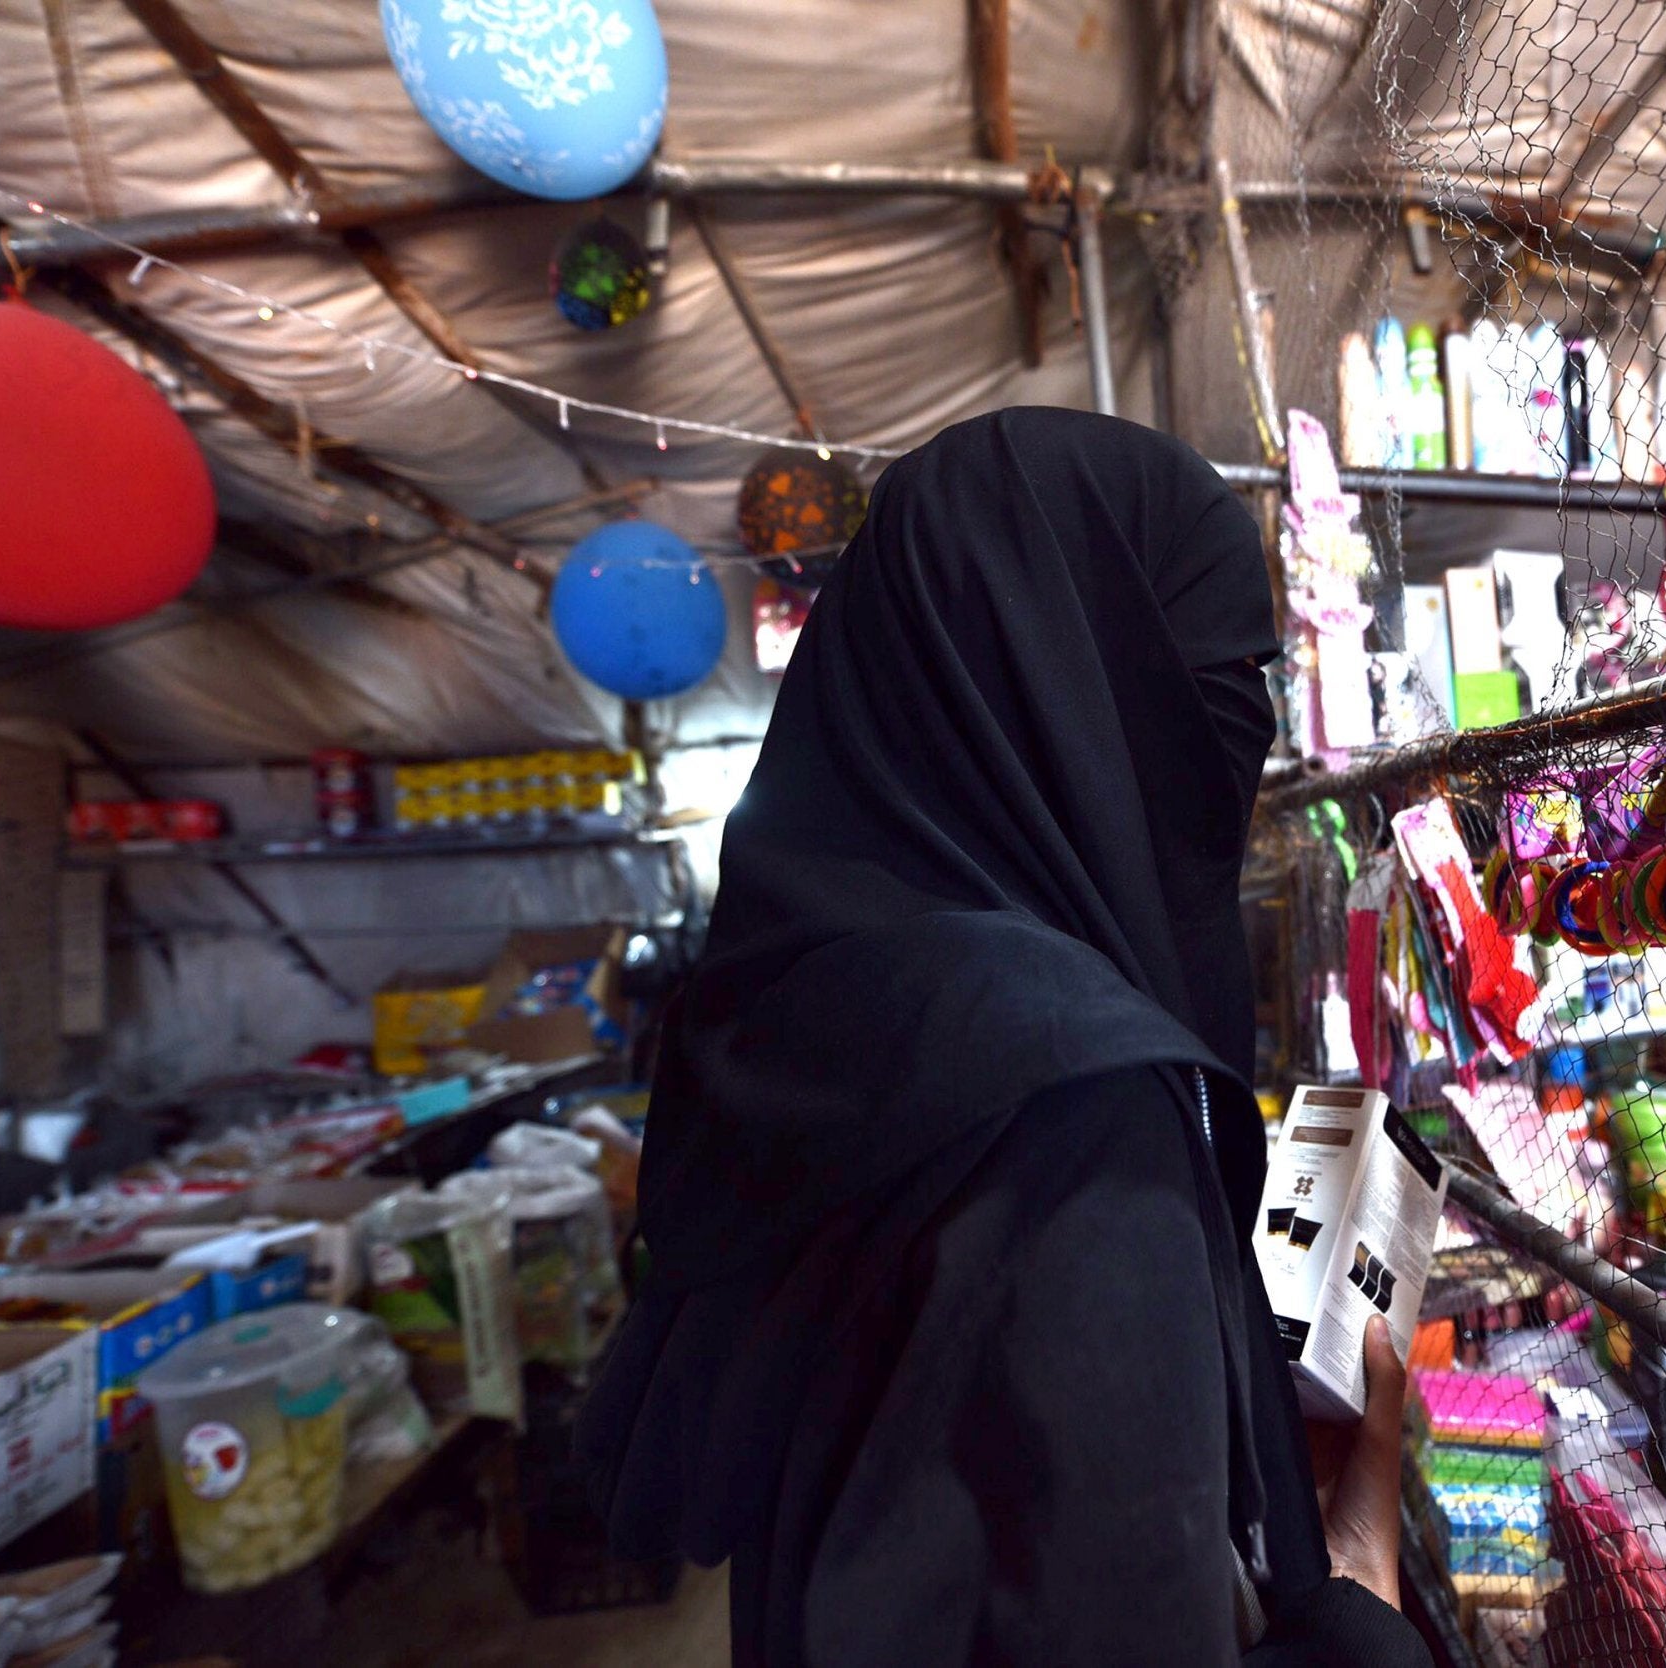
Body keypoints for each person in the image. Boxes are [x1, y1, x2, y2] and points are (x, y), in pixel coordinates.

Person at [577, 408, 1434, 1668]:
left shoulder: (821, 1004)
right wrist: (1359, 1596)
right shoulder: (1072, 1119)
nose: (1244, 725)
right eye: (1222, 672)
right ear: (1085, 687)